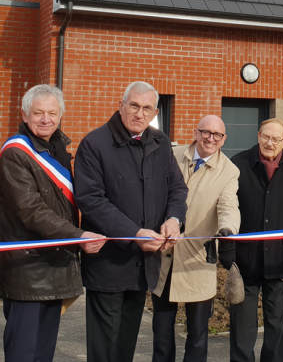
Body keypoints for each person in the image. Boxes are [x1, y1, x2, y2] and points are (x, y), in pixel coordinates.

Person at [74, 81, 188, 362]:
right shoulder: (94, 143)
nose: (139, 113)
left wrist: (174, 219)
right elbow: (91, 200)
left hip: (143, 266)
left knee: (126, 347)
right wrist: (134, 233)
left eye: (146, 108)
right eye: (134, 106)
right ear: (121, 105)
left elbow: (177, 188)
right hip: (108, 265)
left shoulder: (160, 143)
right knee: (104, 351)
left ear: (155, 111)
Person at [0, 84, 107, 362]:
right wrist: (78, 235)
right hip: (28, 271)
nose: (46, 120)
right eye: (38, 113)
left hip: (54, 265)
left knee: (43, 353)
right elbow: (31, 210)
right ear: (24, 114)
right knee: (24, 353)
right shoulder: (16, 153)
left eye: (52, 113)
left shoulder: (56, 150)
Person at [151, 115, 241, 362]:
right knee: (161, 333)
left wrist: (227, 230)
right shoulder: (171, 155)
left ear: (223, 140)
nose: (210, 138)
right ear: (196, 132)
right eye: (205, 132)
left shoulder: (229, 171)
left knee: (198, 336)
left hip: (197, 260)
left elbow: (228, 206)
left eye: (217, 135)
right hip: (165, 257)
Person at [229, 118, 283, 362]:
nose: (270, 143)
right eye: (266, 137)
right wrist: (228, 248)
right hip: (245, 259)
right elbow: (226, 207)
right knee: (241, 326)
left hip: (282, 259)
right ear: (258, 135)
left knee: (277, 325)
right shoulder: (238, 164)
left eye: (276, 139)